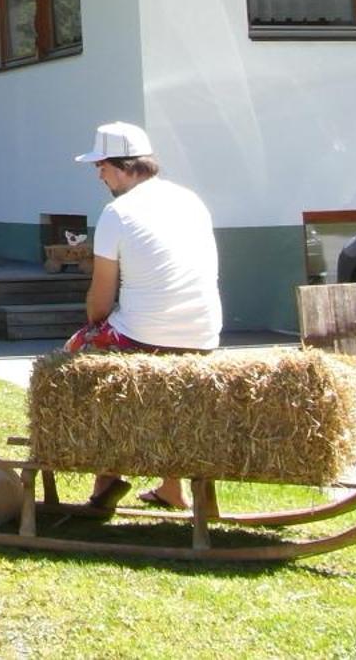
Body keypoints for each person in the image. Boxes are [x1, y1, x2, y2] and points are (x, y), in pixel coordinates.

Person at [64, 120, 222, 514]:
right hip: (203, 334)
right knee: (170, 398)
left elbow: (100, 300)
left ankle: (107, 478)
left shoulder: (117, 213)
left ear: (122, 166)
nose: (99, 175)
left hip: (144, 335)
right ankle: (172, 488)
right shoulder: (190, 200)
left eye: (100, 166)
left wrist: (90, 328)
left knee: (78, 356)